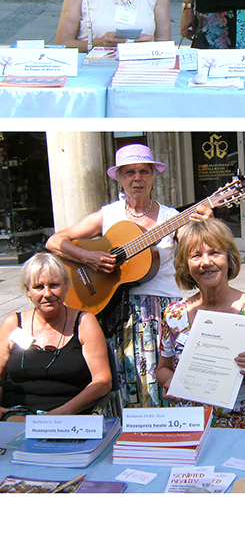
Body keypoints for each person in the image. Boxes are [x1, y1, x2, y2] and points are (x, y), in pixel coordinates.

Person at [46, 144, 210, 408]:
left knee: (168, 382)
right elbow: (55, 241)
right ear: (120, 179)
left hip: (162, 310)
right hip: (117, 312)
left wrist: (205, 226)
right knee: (125, 381)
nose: (137, 178)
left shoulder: (172, 218)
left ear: (154, 177)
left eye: (144, 171)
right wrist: (87, 257)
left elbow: (199, 251)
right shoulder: (108, 214)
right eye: (130, 172)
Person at [157, 219, 245, 429]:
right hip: (188, 424)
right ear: (185, 265)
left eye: (215, 253)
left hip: (241, 425)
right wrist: (172, 381)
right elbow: (162, 368)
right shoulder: (174, 315)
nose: (205, 262)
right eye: (195, 255)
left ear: (229, 259)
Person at [0, 253, 111, 420]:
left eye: (54, 285)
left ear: (66, 286)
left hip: (70, 418)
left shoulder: (84, 323)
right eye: (38, 287)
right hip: (16, 416)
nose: (47, 294)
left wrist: (61, 413)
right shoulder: (13, 323)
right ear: (28, 290)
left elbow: (103, 381)